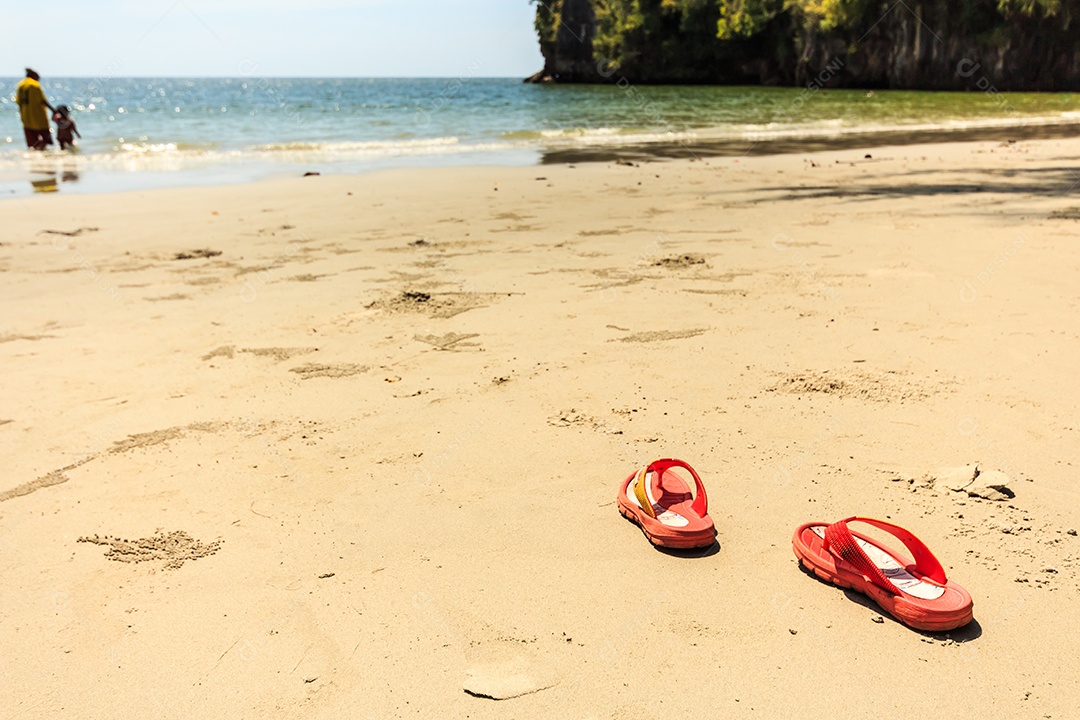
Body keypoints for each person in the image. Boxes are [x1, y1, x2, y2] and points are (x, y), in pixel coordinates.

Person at [15, 68, 55, 151]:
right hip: (39, 117)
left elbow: (18, 102)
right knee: (46, 139)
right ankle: (41, 156)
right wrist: (54, 110)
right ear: (34, 76)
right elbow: (43, 100)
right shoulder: (35, 85)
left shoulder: (20, 85)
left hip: (26, 117)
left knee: (32, 143)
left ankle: (35, 158)